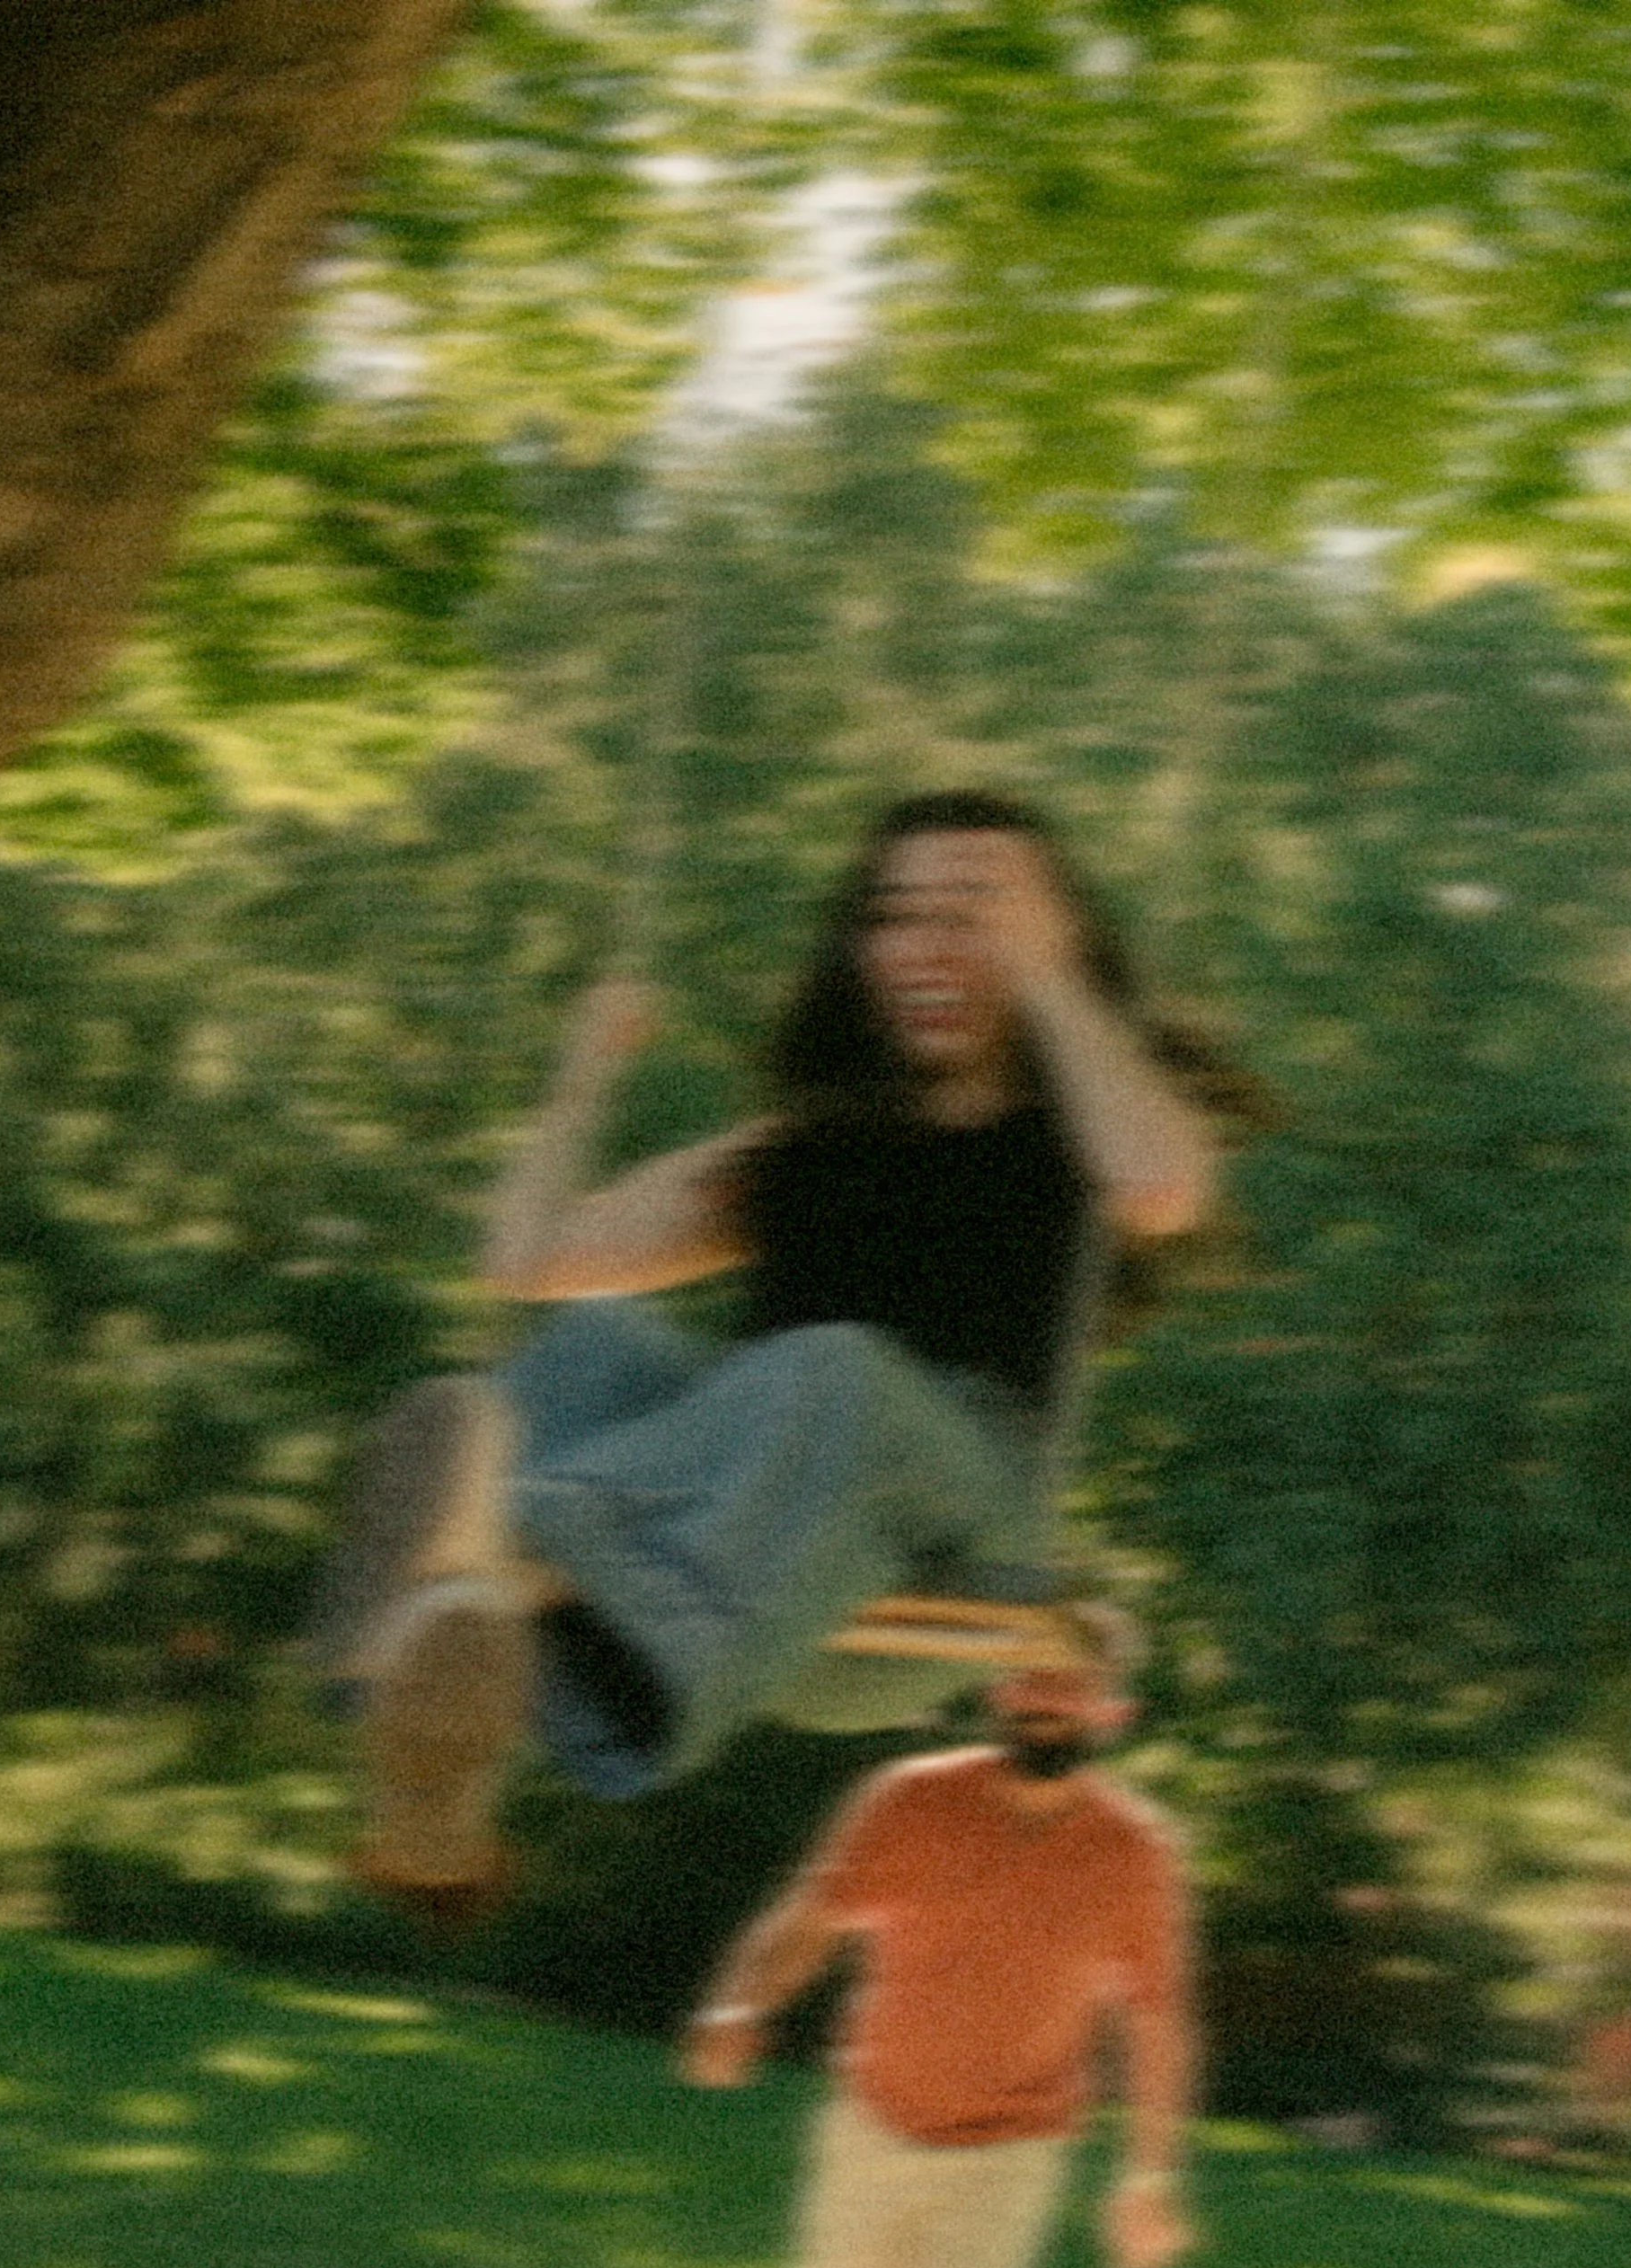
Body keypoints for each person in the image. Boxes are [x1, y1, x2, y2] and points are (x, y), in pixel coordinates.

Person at [315, 791, 1242, 1930]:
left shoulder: (1091, 1133)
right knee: (602, 1339)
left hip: (952, 1544)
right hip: (756, 1552)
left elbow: (1163, 1189)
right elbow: (528, 1258)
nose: (934, 942)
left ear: (1047, 934)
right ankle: (439, 1770)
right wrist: (582, 1075)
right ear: (863, 947)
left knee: (833, 1369)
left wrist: (1054, 979)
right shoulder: (800, 1149)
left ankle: (482, 1558)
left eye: (980, 911)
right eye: (899, 913)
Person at [680, 1609, 1200, 2268]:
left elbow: (1156, 2015)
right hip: (878, 2107)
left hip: (1017, 2130)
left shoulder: (1135, 1853)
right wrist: (741, 2003)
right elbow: (812, 1916)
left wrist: (1149, 2173)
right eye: (1026, 1683)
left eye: (1067, 1689)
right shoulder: (909, 1800)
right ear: (995, 1693)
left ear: (1111, 1711)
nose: (1044, 1703)